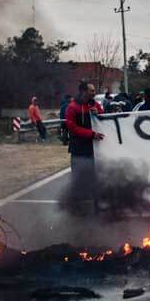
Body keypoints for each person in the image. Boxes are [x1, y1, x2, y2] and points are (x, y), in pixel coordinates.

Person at [64, 82, 105, 213]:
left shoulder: (95, 104)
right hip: (78, 148)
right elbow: (73, 128)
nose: (94, 93)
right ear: (83, 91)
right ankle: (76, 206)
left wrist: (98, 113)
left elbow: (104, 119)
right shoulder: (72, 107)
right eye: (91, 90)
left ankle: (97, 204)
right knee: (78, 177)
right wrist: (91, 134)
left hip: (94, 149)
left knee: (95, 176)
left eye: (94, 90)